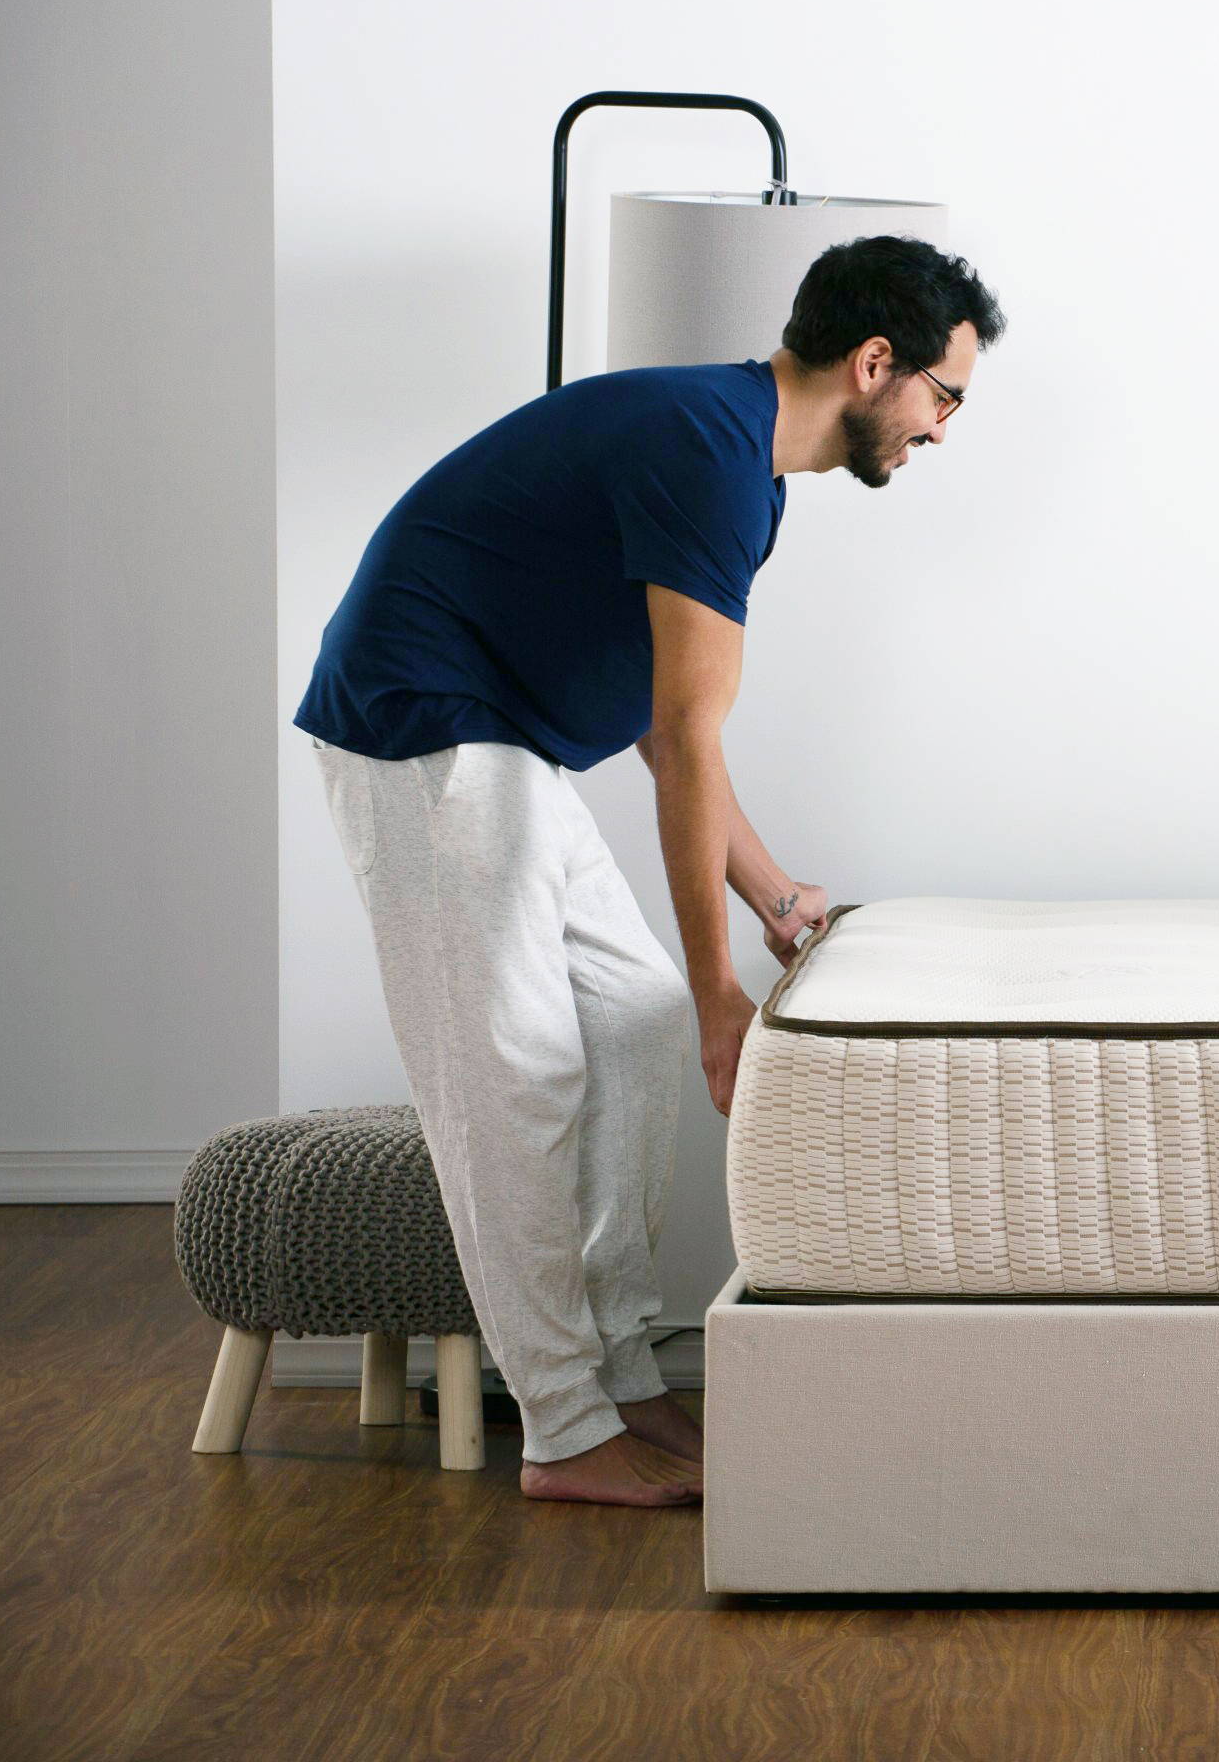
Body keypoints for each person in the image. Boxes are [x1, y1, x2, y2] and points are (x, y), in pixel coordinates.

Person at [295, 235, 1005, 1507]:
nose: (945, 432)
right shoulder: (709, 452)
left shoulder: (738, 462)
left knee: (628, 1020)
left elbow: (655, 715)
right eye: (944, 397)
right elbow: (683, 739)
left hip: (501, 739)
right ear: (876, 361)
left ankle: (621, 1375)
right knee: (518, 1077)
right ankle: (565, 1432)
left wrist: (774, 900)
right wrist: (727, 991)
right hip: (421, 730)